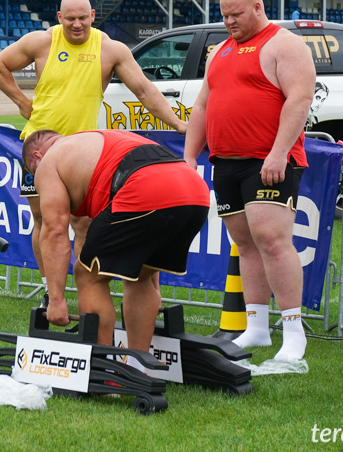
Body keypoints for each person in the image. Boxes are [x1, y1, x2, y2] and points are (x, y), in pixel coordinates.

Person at [0, 0, 186, 308]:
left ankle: (85, 292)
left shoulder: (110, 50)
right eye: (70, 19)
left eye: (82, 18)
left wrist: (178, 124)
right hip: (39, 151)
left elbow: (146, 91)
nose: (77, 24)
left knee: (83, 224)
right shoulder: (41, 42)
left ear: (93, 15)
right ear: (59, 17)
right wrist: (22, 102)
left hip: (84, 154)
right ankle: (49, 291)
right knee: (45, 222)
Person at [184, 0, 316, 361]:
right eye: (224, 16)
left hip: (269, 160)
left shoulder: (285, 44)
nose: (229, 22)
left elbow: (299, 98)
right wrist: (190, 156)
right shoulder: (221, 51)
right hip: (226, 162)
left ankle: (293, 333)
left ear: (258, 7)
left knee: (272, 240)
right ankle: (256, 328)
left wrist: (278, 154)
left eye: (236, 14)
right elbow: (203, 107)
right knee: (245, 245)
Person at [22, 128, 209, 363]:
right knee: (138, 275)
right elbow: (141, 239)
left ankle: (104, 371)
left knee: (87, 274)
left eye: (33, 171)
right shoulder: (97, 140)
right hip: (194, 192)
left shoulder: (49, 162)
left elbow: (55, 231)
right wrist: (154, 288)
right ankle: (139, 368)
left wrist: (56, 300)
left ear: (37, 157)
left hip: (144, 187)